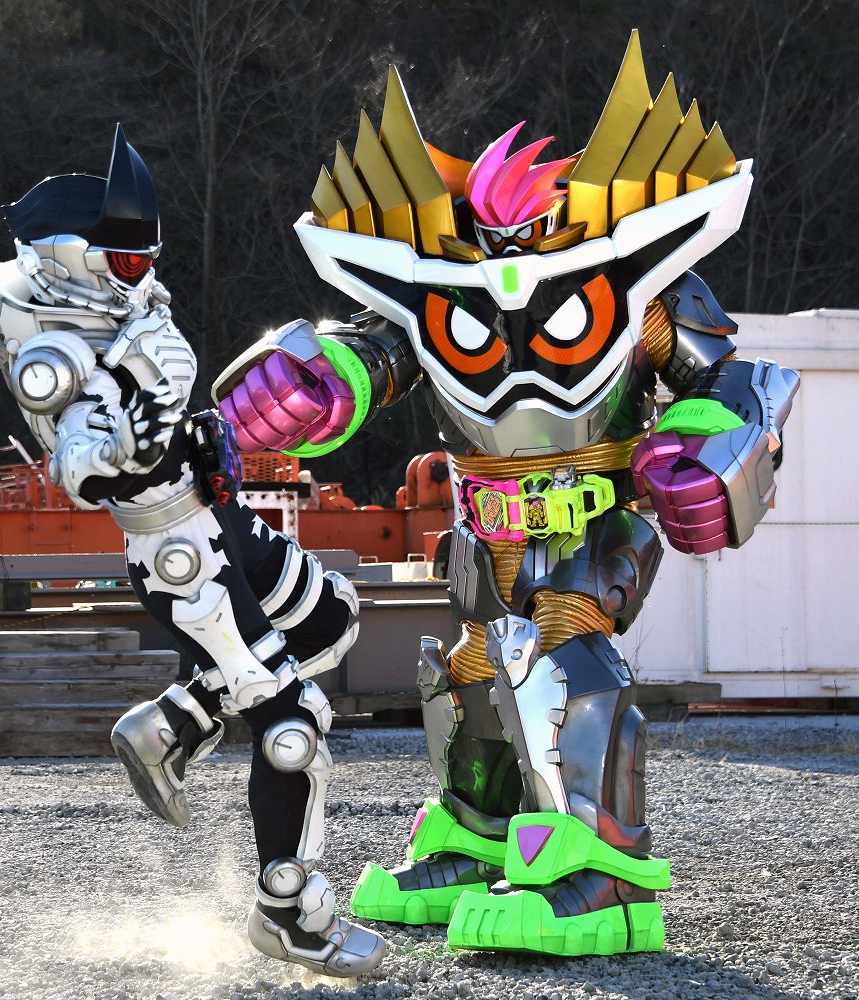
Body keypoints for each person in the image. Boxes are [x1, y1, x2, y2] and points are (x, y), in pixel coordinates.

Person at [211, 32, 798, 955]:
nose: (513, 263)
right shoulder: (450, 291)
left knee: (564, 657)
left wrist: (704, 444)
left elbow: (727, 377)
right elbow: (378, 351)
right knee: (471, 671)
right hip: (482, 525)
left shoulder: (636, 289)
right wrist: (313, 380)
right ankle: (476, 840)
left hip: (593, 512)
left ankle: (601, 872)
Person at [0, 124, 385, 977]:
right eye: (123, 262)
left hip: (209, 510)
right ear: (71, 260)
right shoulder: (57, 350)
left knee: (328, 616)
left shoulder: (62, 306)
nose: (141, 275)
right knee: (293, 719)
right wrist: (122, 439)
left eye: (144, 259)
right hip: (176, 550)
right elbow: (76, 462)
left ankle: (173, 724)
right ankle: (289, 911)